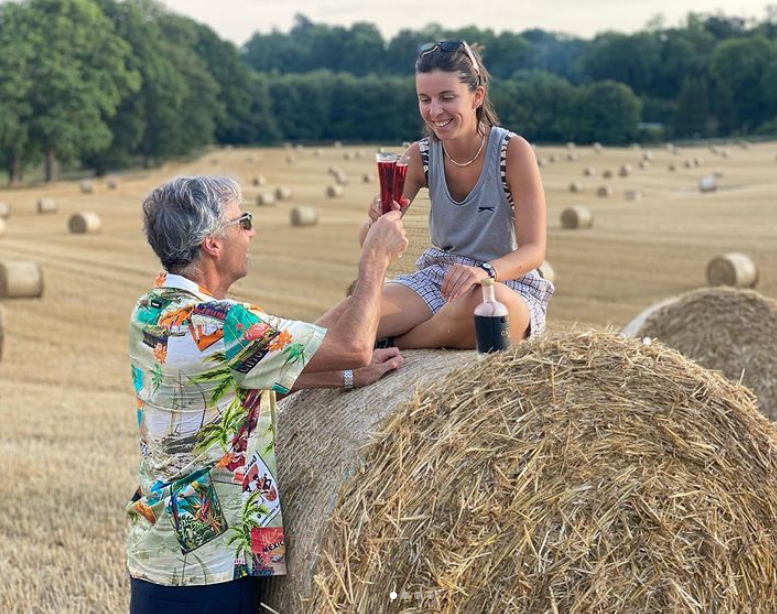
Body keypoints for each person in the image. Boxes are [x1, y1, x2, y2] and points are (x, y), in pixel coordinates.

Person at [127, 176, 407, 613]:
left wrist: (346, 378)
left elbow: (243, 375)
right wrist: (374, 260)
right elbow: (352, 345)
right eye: (244, 221)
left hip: (161, 552)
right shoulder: (222, 325)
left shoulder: (153, 309)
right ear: (212, 244)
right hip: (210, 563)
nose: (252, 232)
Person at [360, 40, 554, 349]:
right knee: (356, 312)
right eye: (425, 99)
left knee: (487, 310)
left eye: (447, 97)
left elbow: (533, 251)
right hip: (439, 278)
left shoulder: (513, 151)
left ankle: (391, 343)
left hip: (504, 283)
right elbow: (371, 247)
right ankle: (270, 377)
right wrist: (375, 224)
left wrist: (482, 272)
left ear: (477, 96)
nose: (435, 111)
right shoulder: (420, 155)